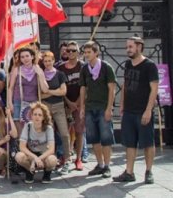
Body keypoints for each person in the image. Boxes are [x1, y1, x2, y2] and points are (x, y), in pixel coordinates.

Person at [114, 37, 159, 184]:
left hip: (143, 111)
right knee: (129, 143)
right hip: (129, 111)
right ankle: (129, 172)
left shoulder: (149, 65)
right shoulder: (128, 64)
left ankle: (149, 171)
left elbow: (154, 89)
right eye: (127, 47)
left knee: (147, 143)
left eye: (131, 47)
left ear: (139, 47)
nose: (128, 49)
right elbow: (125, 85)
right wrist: (122, 104)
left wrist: (148, 110)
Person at [79, 41, 116, 178]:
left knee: (106, 138)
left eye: (89, 52)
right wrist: (82, 106)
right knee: (94, 138)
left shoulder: (106, 67)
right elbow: (83, 88)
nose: (87, 55)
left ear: (96, 52)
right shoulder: (84, 69)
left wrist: (109, 108)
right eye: (85, 52)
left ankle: (107, 165)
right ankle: (99, 164)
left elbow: (111, 88)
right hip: (90, 107)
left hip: (103, 107)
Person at [57, 41, 87, 170]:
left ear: (78, 52)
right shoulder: (61, 68)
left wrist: (78, 103)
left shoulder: (83, 67)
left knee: (79, 131)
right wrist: (68, 102)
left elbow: (86, 86)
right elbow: (59, 86)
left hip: (80, 104)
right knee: (65, 131)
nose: (69, 53)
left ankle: (79, 158)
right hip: (65, 103)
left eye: (73, 50)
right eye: (68, 50)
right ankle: (66, 155)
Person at [40, 51, 71, 173]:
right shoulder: (41, 75)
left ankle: (67, 159)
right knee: (49, 134)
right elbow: (40, 95)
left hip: (58, 106)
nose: (47, 63)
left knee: (64, 133)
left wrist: (49, 92)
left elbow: (63, 91)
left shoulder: (60, 74)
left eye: (49, 60)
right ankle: (51, 159)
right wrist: (54, 91)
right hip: (46, 107)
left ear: (53, 61)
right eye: (45, 61)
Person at [8, 47, 49, 133]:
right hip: (19, 102)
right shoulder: (16, 70)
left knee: (33, 129)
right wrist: (10, 103)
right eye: (22, 57)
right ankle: (21, 146)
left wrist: (40, 74)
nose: (25, 59)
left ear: (32, 57)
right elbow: (10, 88)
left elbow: (45, 89)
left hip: (33, 104)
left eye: (27, 56)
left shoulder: (37, 69)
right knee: (20, 131)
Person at [16, 102, 58, 184]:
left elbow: (51, 149)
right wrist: (35, 158)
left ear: (43, 117)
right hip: (31, 154)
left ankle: (47, 174)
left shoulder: (49, 128)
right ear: (31, 116)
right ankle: (29, 172)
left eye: (40, 115)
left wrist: (39, 159)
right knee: (19, 156)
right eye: (35, 114)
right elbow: (22, 147)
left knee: (52, 160)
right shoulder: (27, 126)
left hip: (44, 154)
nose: (37, 117)